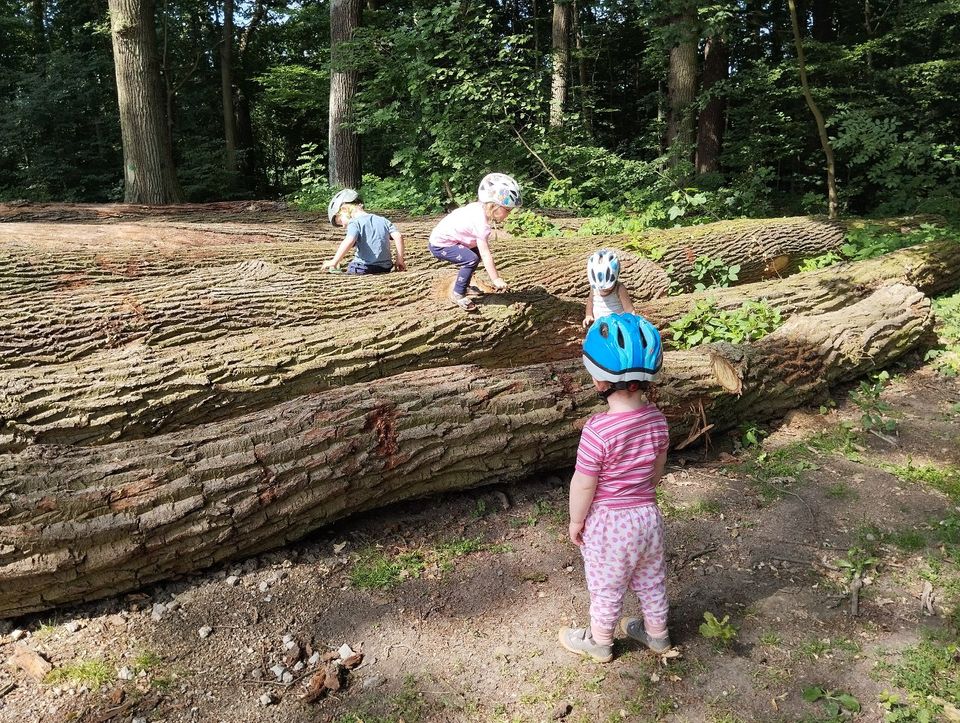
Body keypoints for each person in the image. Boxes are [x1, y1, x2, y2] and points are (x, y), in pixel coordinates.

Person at [559, 313, 671, 663]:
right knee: (651, 579)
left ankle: (601, 642)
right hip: (647, 518)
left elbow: (584, 483)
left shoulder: (598, 431)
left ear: (599, 380)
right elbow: (657, 466)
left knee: (607, 587)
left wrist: (577, 521)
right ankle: (658, 635)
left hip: (610, 523)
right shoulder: (657, 419)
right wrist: (645, 490)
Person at [428, 173, 520, 311]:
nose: (509, 214)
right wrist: (496, 279)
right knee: (471, 259)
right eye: (507, 210)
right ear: (495, 207)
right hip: (440, 245)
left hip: (451, 239)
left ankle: (464, 285)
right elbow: (486, 254)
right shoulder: (481, 225)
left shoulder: (479, 207)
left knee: (474, 256)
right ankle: (458, 293)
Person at [324, 189, 406, 274]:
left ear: (344, 209)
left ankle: (335, 267)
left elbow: (349, 240)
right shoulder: (383, 220)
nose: (343, 226)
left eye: (340, 221)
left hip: (364, 267)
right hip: (385, 267)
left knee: (350, 267)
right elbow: (398, 236)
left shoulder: (354, 222)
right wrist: (399, 260)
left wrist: (335, 261)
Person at [583, 249, 635, 328]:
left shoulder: (619, 288)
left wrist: (632, 322)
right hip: (600, 327)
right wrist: (589, 315)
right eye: (599, 287)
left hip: (618, 327)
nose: (603, 289)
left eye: (607, 286)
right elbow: (590, 301)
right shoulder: (594, 288)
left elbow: (629, 309)